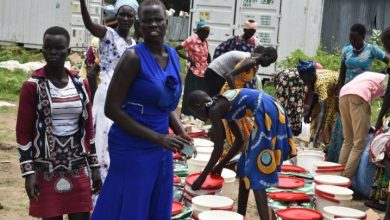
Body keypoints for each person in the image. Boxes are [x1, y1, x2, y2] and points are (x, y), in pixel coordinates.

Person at [91, 1, 192, 219]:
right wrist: (158, 137)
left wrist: (180, 130)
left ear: (167, 23)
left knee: (156, 200)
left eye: (158, 20)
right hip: (132, 146)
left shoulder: (173, 56)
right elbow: (112, 109)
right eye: (147, 21)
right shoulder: (133, 57)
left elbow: (167, 104)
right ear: (139, 25)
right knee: (133, 204)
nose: (153, 25)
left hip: (161, 146)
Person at [16, 26, 101, 220]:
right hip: (45, 169)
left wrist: (94, 166)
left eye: (59, 48)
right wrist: (28, 172)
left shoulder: (80, 84)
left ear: (68, 51)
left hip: (78, 165)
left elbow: (88, 128)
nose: (53, 52)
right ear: (43, 50)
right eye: (48, 48)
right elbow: (23, 131)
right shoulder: (32, 86)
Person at [188, 89, 296, 219]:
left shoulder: (214, 110)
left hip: (267, 110)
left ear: (198, 106)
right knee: (243, 167)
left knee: (256, 171)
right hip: (271, 107)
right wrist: (220, 165)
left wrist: (202, 177)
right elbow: (240, 140)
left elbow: (218, 149)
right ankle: (241, 215)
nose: (199, 117)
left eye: (196, 113)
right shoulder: (222, 106)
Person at [79, 0, 138, 184]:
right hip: (108, 93)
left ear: (135, 18)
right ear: (116, 16)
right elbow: (89, 24)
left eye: (130, 15)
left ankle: (115, 183)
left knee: (119, 142)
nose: (126, 18)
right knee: (103, 140)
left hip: (127, 96)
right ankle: (99, 186)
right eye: (122, 14)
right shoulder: (108, 34)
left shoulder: (133, 42)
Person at [327, 23, 389, 162]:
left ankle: (347, 168)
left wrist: (378, 74)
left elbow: (388, 63)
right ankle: (337, 164)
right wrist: (338, 96)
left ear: (363, 36)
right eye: (350, 39)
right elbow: (341, 75)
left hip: (361, 94)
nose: (352, 42)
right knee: (344, 134)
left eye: (355, 39)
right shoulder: (346, 50)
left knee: (357, 136)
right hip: (345, 94)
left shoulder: (372, 49)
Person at [338, 72, 389, 179]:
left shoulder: (371, 75)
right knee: (359, 144)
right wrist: (379, 120)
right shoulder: (387, 80)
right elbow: (386, 102)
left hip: (343, 94)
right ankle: (344, 180)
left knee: (348, 140)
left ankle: (337, 176)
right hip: (359, 96)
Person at [79, 5, 118, 101]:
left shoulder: (98, 39)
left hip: (87, 83)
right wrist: (94, 100)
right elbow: (92, 74)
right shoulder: (109, 42)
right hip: (97, 88)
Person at [297, 60, 338, 147]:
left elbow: (323, 111)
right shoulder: (313, 78)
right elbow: (316, 95)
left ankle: (326, 145)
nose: (303, 81)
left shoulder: (320, 83)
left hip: (336, 91)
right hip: (329, 89)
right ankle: (315, 138)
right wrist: (308, 112)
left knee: (327, 121)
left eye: (304, 79)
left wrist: (317, 134)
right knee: (314, 112)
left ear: (310, 75)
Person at [176, 19, 210, 116]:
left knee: (201, 98)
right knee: (191, 96)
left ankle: (200, 118)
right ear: (198, 32)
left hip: (204, 73)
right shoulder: (192, 40)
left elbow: (207, 56)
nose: (207, 34)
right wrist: (188, 58)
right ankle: (187, 117)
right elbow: (175, 49)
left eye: (208, 32)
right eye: (205, 32)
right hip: (194, 73)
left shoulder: (205, 42)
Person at [213, 20, 261, 89]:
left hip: (248, 75)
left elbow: (259, 57)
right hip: (234, 73)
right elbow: (219, 50)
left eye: (253, 32)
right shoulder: (234, 40)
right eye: (250, 31)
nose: (252, 33)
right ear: (244, 30)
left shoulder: (256, 42)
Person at [274, 68, 305, 136]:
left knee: (281, 103)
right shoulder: (290, 71)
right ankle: (295, 129)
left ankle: (282, 126)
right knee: (297, 102)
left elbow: (279, 96)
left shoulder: (280, 75)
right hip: (299, 77)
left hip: (284, 78)